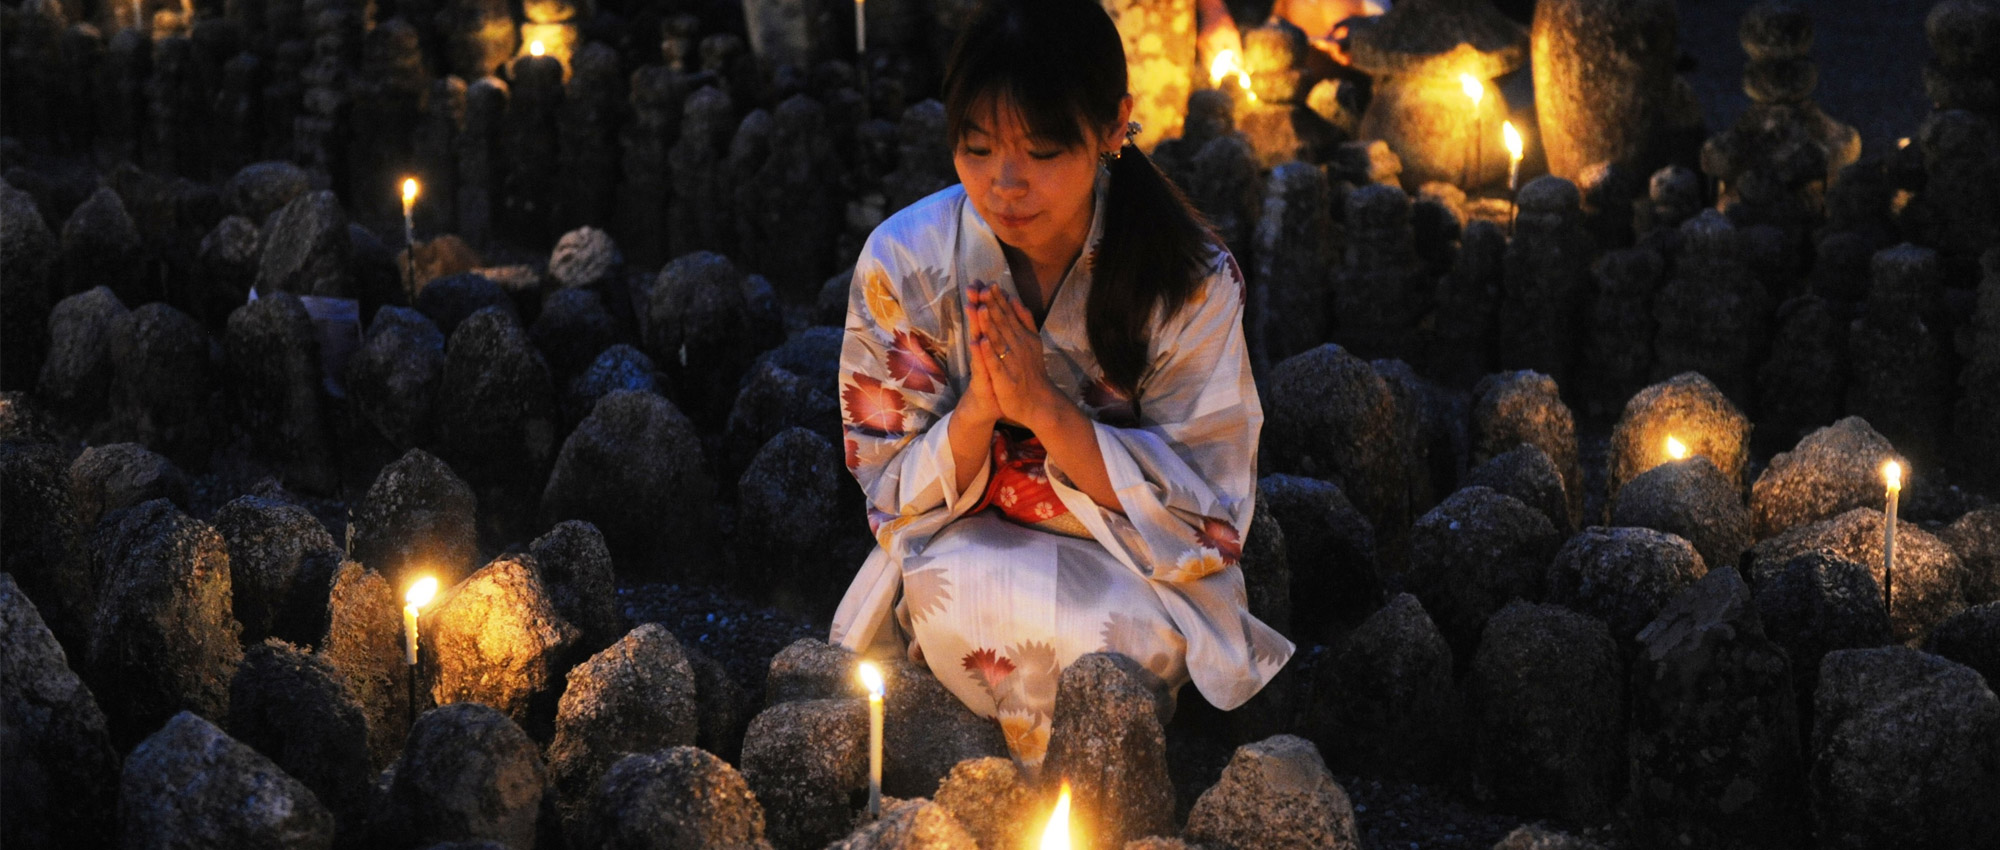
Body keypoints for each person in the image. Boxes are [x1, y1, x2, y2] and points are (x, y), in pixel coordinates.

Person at [829, 0, 1291, 769]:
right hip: (971, 537)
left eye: (1042, 152)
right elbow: (885, 476)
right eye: (977, 149)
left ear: (1114, 128)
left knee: (1110, 653)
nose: (1005, 184)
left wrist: (1046, 411)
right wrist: (981, 410)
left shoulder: (1188, 280)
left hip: (1130, 559)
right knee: (955, 603)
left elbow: (1212, 506)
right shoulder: (905, 260)